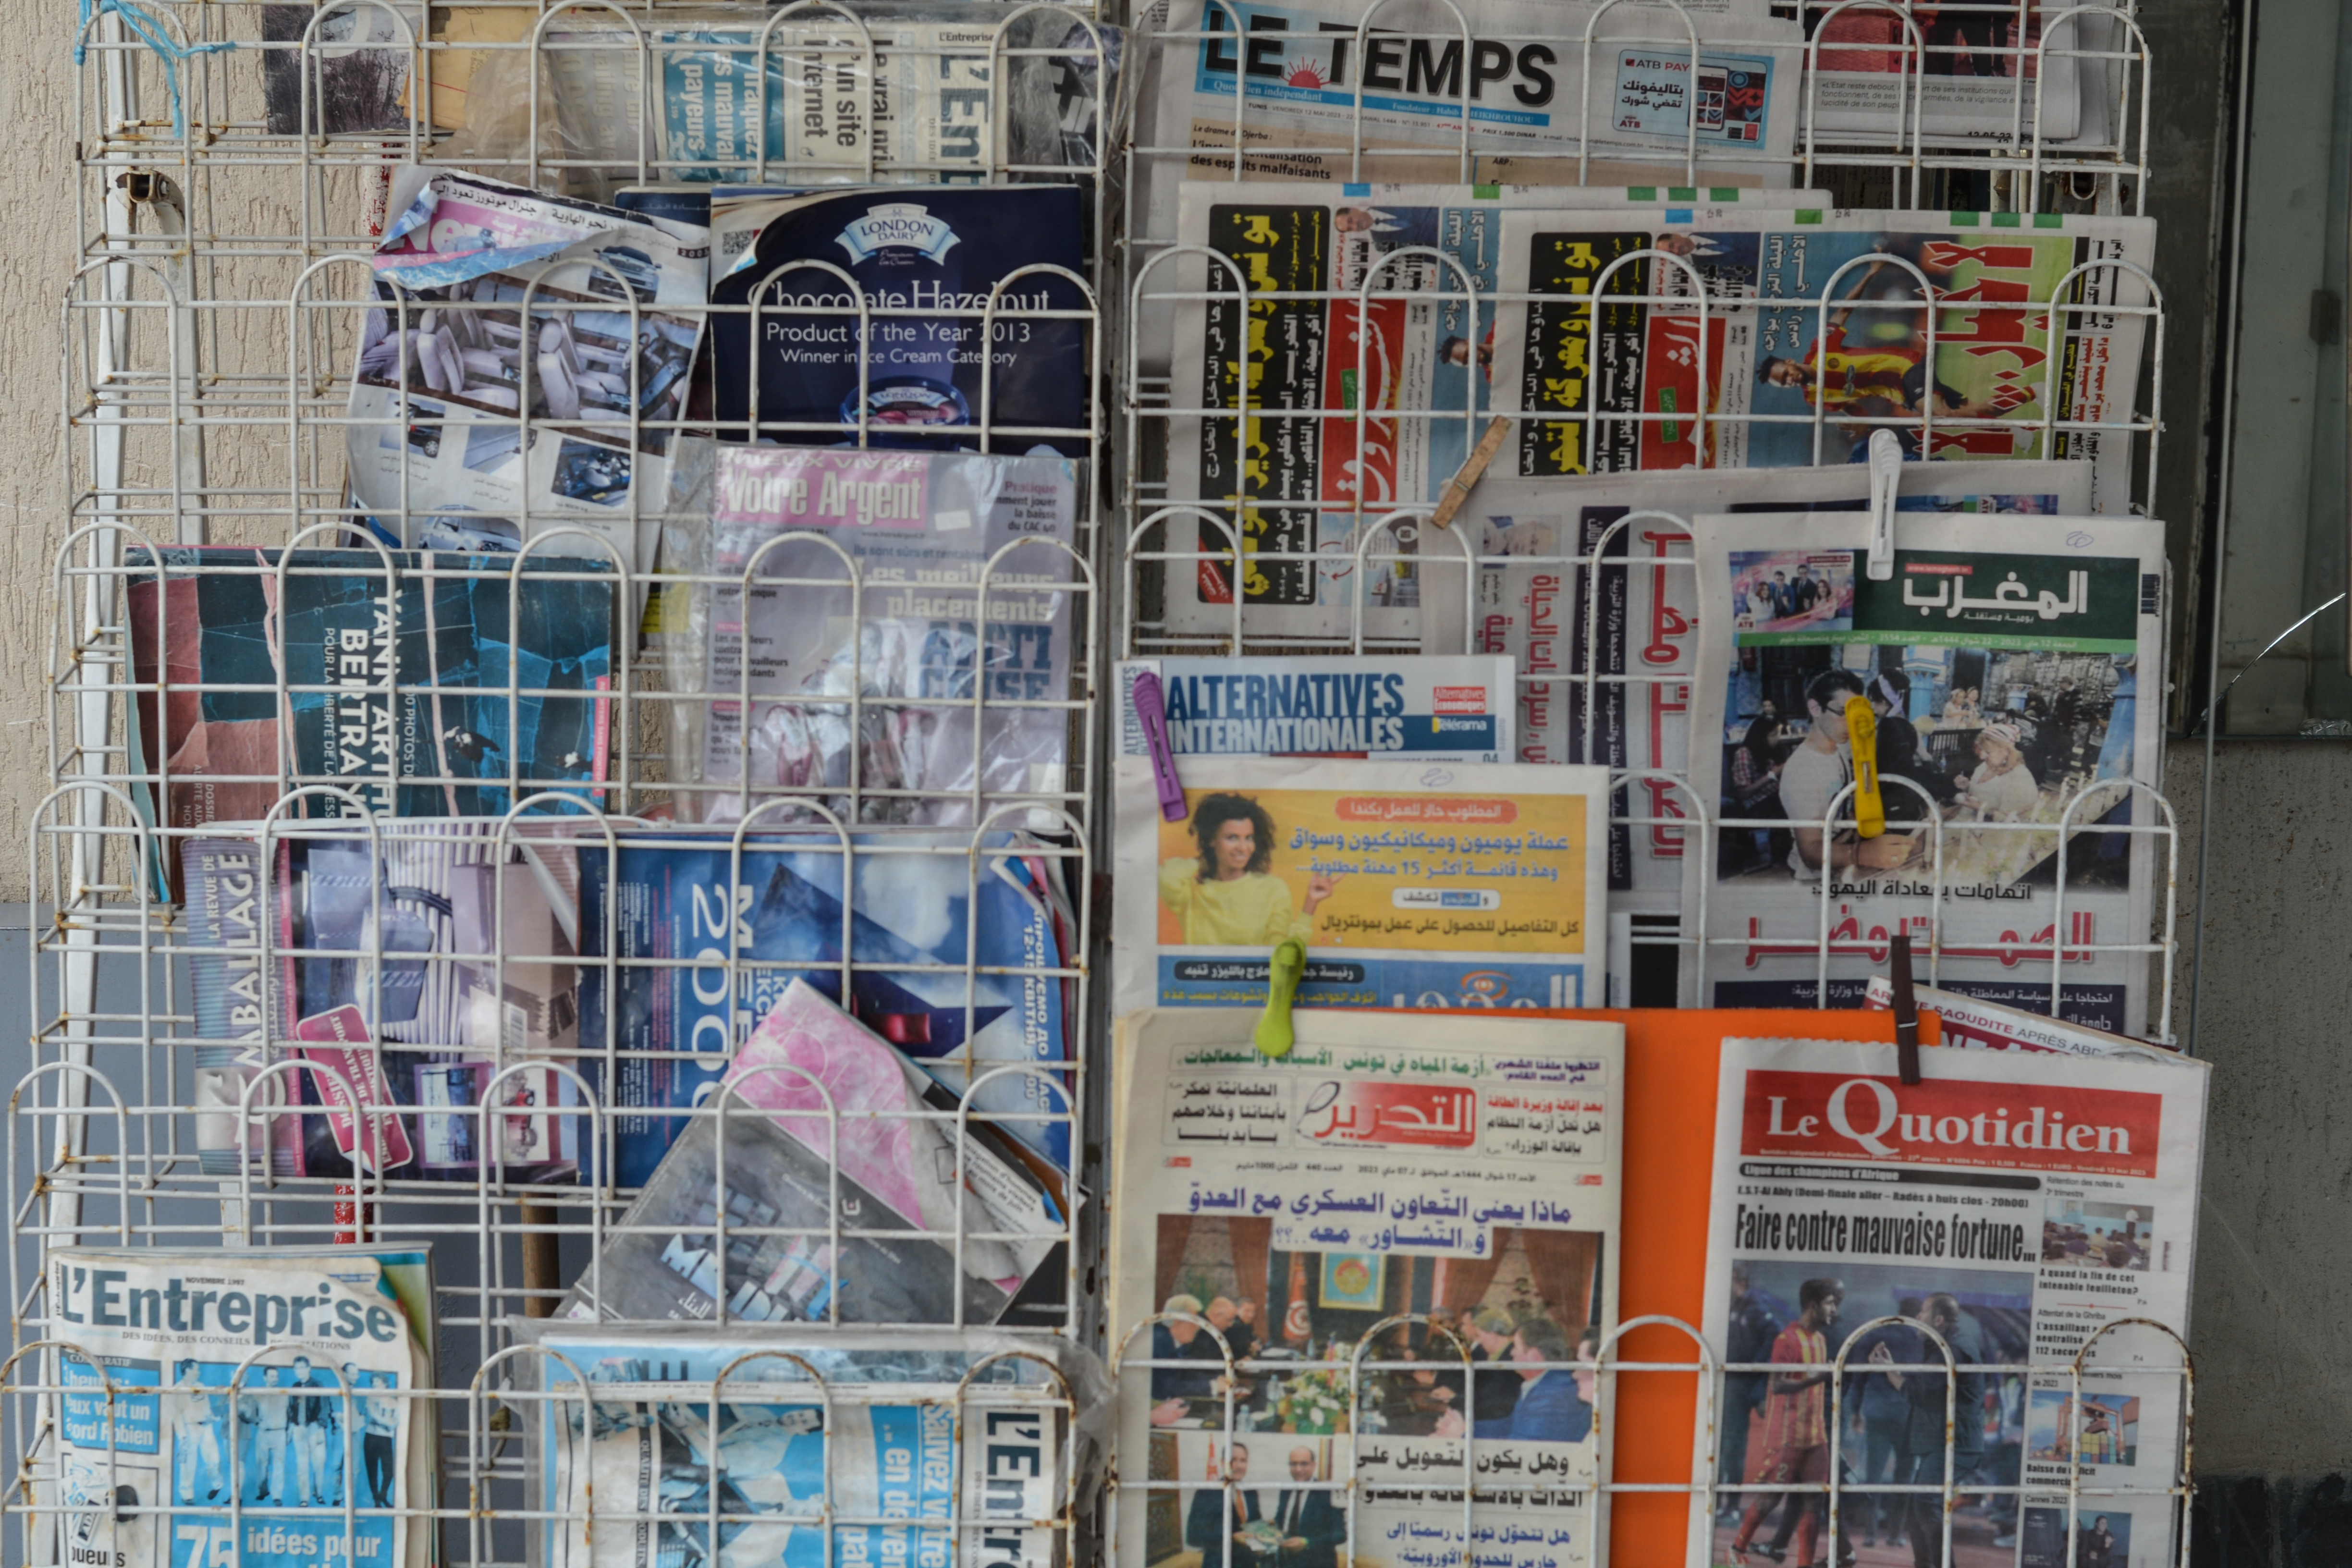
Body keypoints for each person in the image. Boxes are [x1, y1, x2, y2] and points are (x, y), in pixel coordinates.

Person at [1729, 1278, 1843, 1568]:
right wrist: (1818, 1378)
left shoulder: (1820, 1340)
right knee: (1771, 1499)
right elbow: (1778, 1385)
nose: (1835, 1310)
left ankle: (1803, 1564)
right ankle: (1736, 1549)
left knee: (1814, 1503)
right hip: (1788, 1436)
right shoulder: (1786, 1340)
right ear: (1813, 1305)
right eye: (1831, 1303)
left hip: (1816, 1435)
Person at [1876, 1293, 1985, 1568]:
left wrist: (1889, 1371)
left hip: (1955, 1443)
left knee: (1925, 1503)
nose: (1918, 1319)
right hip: (1944, 1440)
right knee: (1919, 1507)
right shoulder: (1945, 1343)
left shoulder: (1952, 1349)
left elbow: (1920, 1392)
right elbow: (1926, 1384)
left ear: (1938, 1319)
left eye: (1923, 1313)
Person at [1777, 668, 1918, 879]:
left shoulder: (1843, 748)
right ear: (1816, 709)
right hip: (1814, 875)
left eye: (1855, 713)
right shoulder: (1801, 770)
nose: (1850, 723)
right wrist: (1862, 854)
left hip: (1847, 862)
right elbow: (1811, 853)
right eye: (1843, 713)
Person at [1157, 794, 1340, 945]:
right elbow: (1166, 878)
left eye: (1249, 838)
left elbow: (1282, 953)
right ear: (1212, 839)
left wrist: (1311, 902)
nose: (1244, 848)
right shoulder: (1191, 891)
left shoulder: (1273, 889)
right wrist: (1205, 860)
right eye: (1232, 838)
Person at [1432, 1319, 1591, 1443]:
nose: (1512, 1353)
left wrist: (1463, 1436)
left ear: (1534, 1356)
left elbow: (1518, 1450)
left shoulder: (1551, 1397)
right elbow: (1509, 1425)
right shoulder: (1546, 1383)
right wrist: (1467, 1427)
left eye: (1516, 1346)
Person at [1719, 1265, 1783, 1520]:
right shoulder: (1733, 1308)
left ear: (1741, 1283)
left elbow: (1775, 1337)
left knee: (1732, 1447)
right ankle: (1725, 1504)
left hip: (1740, 1384)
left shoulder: (1755, 1308)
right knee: (1724, 1445)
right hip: (1729, 1382)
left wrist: (1755, 1373)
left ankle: (1732, 1506)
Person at [1186, 1442, 1266, 1567]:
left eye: (1243, 1461)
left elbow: (1254, 1526)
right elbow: (1193, 1536)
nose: (1238, 1466)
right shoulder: (1207, 1493)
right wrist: (1232, 1537)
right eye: (1233, 1460)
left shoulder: (1251, 1493)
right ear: (1223, 1463)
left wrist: (1266, 1529)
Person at [1267, 1446, 1347, 1568]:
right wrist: (1273, 1526)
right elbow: (1281, 1519)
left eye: (1304, 1464)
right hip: (1286, 1563)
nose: (1298, 1469)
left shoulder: (1328, 1493)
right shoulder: (1286, 1491)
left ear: (1314, 1466)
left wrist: (1307, 1542)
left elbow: (1340, 1535)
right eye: (1294, 1464)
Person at [1151, 1294, 1221, 1419]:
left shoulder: (1175, 1342)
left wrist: (1217, 1379)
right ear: (1179, 1321)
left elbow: (1187, 1373)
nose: (1198, 1326)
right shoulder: (1159, 1342)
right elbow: (1169, 1387)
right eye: (1195, 1321)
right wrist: (1213, 1385)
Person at [1952, 722, 2040, 821]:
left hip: (1988, 833)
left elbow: (2014, 821)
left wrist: (1981, 808)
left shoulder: (2019, 777)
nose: (1982, 756)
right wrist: (1967, 787)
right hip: (1967, 823)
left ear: (2007, 751)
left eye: (1988, 752)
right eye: (1982, 750)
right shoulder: (1984, 767)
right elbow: (1983, 794)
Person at [171, 1360, 226, 1505]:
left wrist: (214, 1418)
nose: (199, 1372)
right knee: (188, 1465)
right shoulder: (177, 1389)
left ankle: (217, 1485)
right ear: (188, 1370)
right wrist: (182, 1436)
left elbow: (206, 1407)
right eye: (196, 1369)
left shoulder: (201, 1386)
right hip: (189, 1429)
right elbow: (176, 1414)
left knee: (214, 1460)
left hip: (206, 1427)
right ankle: (187, 1495)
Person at [361, 1373, 401, 1508]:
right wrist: (387, 1424)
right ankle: (376, 1500)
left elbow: (397, 1420)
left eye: (377, 1382)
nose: (374, 1385)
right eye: (373, 1383)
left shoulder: (393, 1401)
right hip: (372, 1437)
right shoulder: (370, 1399)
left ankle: (382, 1496)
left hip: (386, 1438)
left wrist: (388, 1424)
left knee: (389, 1471)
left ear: (385, 1384)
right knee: (373, 1471)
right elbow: (373, 1417)